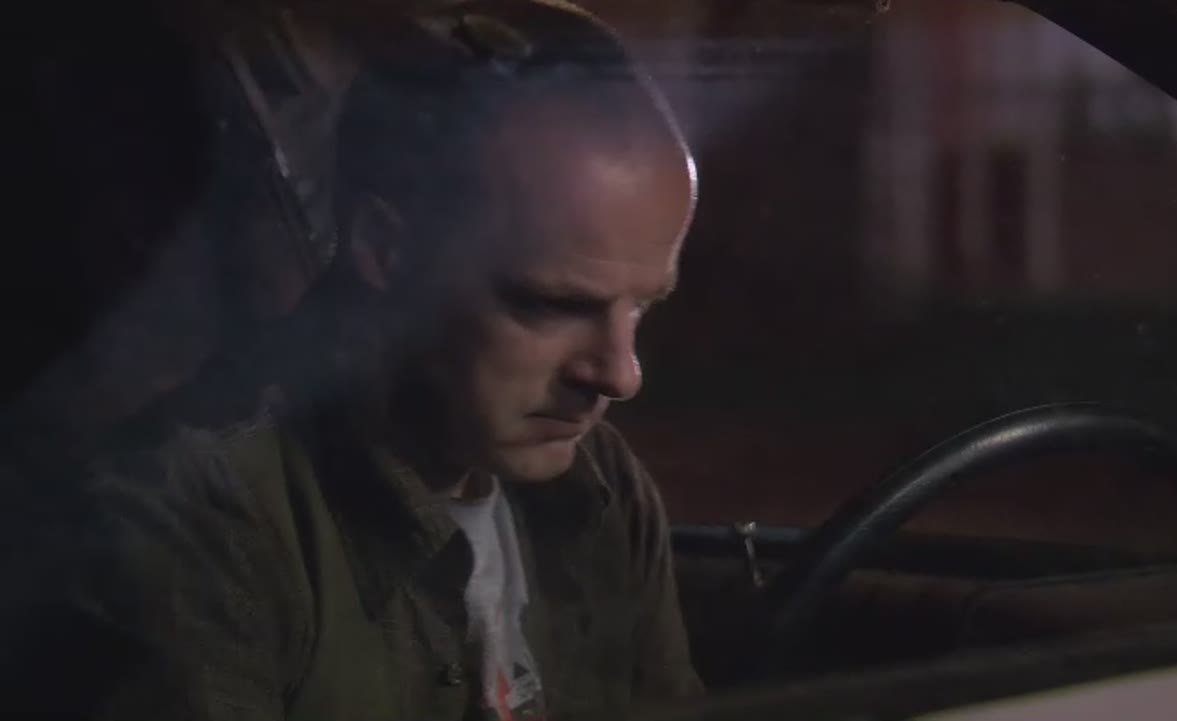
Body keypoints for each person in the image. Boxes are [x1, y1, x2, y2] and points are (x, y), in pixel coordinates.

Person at [1, 1, 702, 719]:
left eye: (642, 306)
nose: (621, 374)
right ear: (384, 250)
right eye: (551, 304)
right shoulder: (188, 536)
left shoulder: (599, 489)